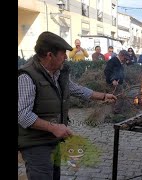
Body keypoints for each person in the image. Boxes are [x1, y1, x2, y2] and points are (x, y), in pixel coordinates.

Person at [18, 31, 117, 180]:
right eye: (63, 53)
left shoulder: (57, 72)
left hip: (54, 140)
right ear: (49, 55)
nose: (66, 57)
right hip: (36, 144)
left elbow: (76, 89)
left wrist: (102, 96)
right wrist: (54, 127)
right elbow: (23, 115)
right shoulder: (27, 76)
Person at [104, 50, 131, 114]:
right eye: (125, 58)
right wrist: (113, 80)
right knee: (120, 97)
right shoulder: (113, 61)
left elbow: (119, 73)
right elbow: (107, 71)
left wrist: (124, 81)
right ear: (121, 56)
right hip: (113, 84)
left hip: (118, 83)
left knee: (116, 98)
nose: (126, 60)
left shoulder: (119, 62)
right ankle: (116, 113)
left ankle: (114, 112)